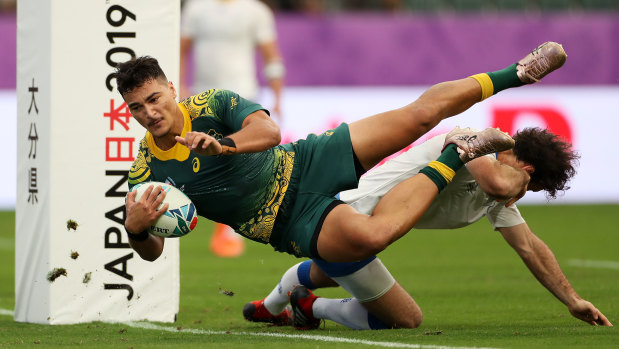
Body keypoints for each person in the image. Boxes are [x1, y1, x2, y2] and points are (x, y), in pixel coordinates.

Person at [116, 42, 564, 279]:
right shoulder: (145, 172)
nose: (149, 113)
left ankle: (517, 73)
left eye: (154, 98)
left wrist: (225, 145)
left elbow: (270, 133)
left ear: (172, 89)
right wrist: (136, 228)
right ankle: (457, 154)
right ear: (128, 111)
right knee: (371, 238)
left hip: (305, 160)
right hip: (287, 221)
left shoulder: (212, 103)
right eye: (137, 108)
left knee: (419, 115)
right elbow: (152, 251)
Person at [242, 128, 613, 330]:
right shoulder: (475, 145)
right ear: (527, 172)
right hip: (343, 220)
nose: (519, 197)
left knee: (329, 271)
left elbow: (530, 247)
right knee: (405, 319)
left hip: (343, 232)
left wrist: (572, 300)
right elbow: (501, 186)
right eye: (530, 187)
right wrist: (516, 187)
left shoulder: (497, 193)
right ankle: (309, 306)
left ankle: (271, 306)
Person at [180, 0, 286, 257]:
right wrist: (180, 84)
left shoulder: (256, 11)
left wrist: (278, 96)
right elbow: (181, 50)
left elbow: (271, 56)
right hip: (202, 97)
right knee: (203, 158)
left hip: (242, 95)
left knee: (235, 157)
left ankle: (230, 228)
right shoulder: (196, 8)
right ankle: (203, 221)